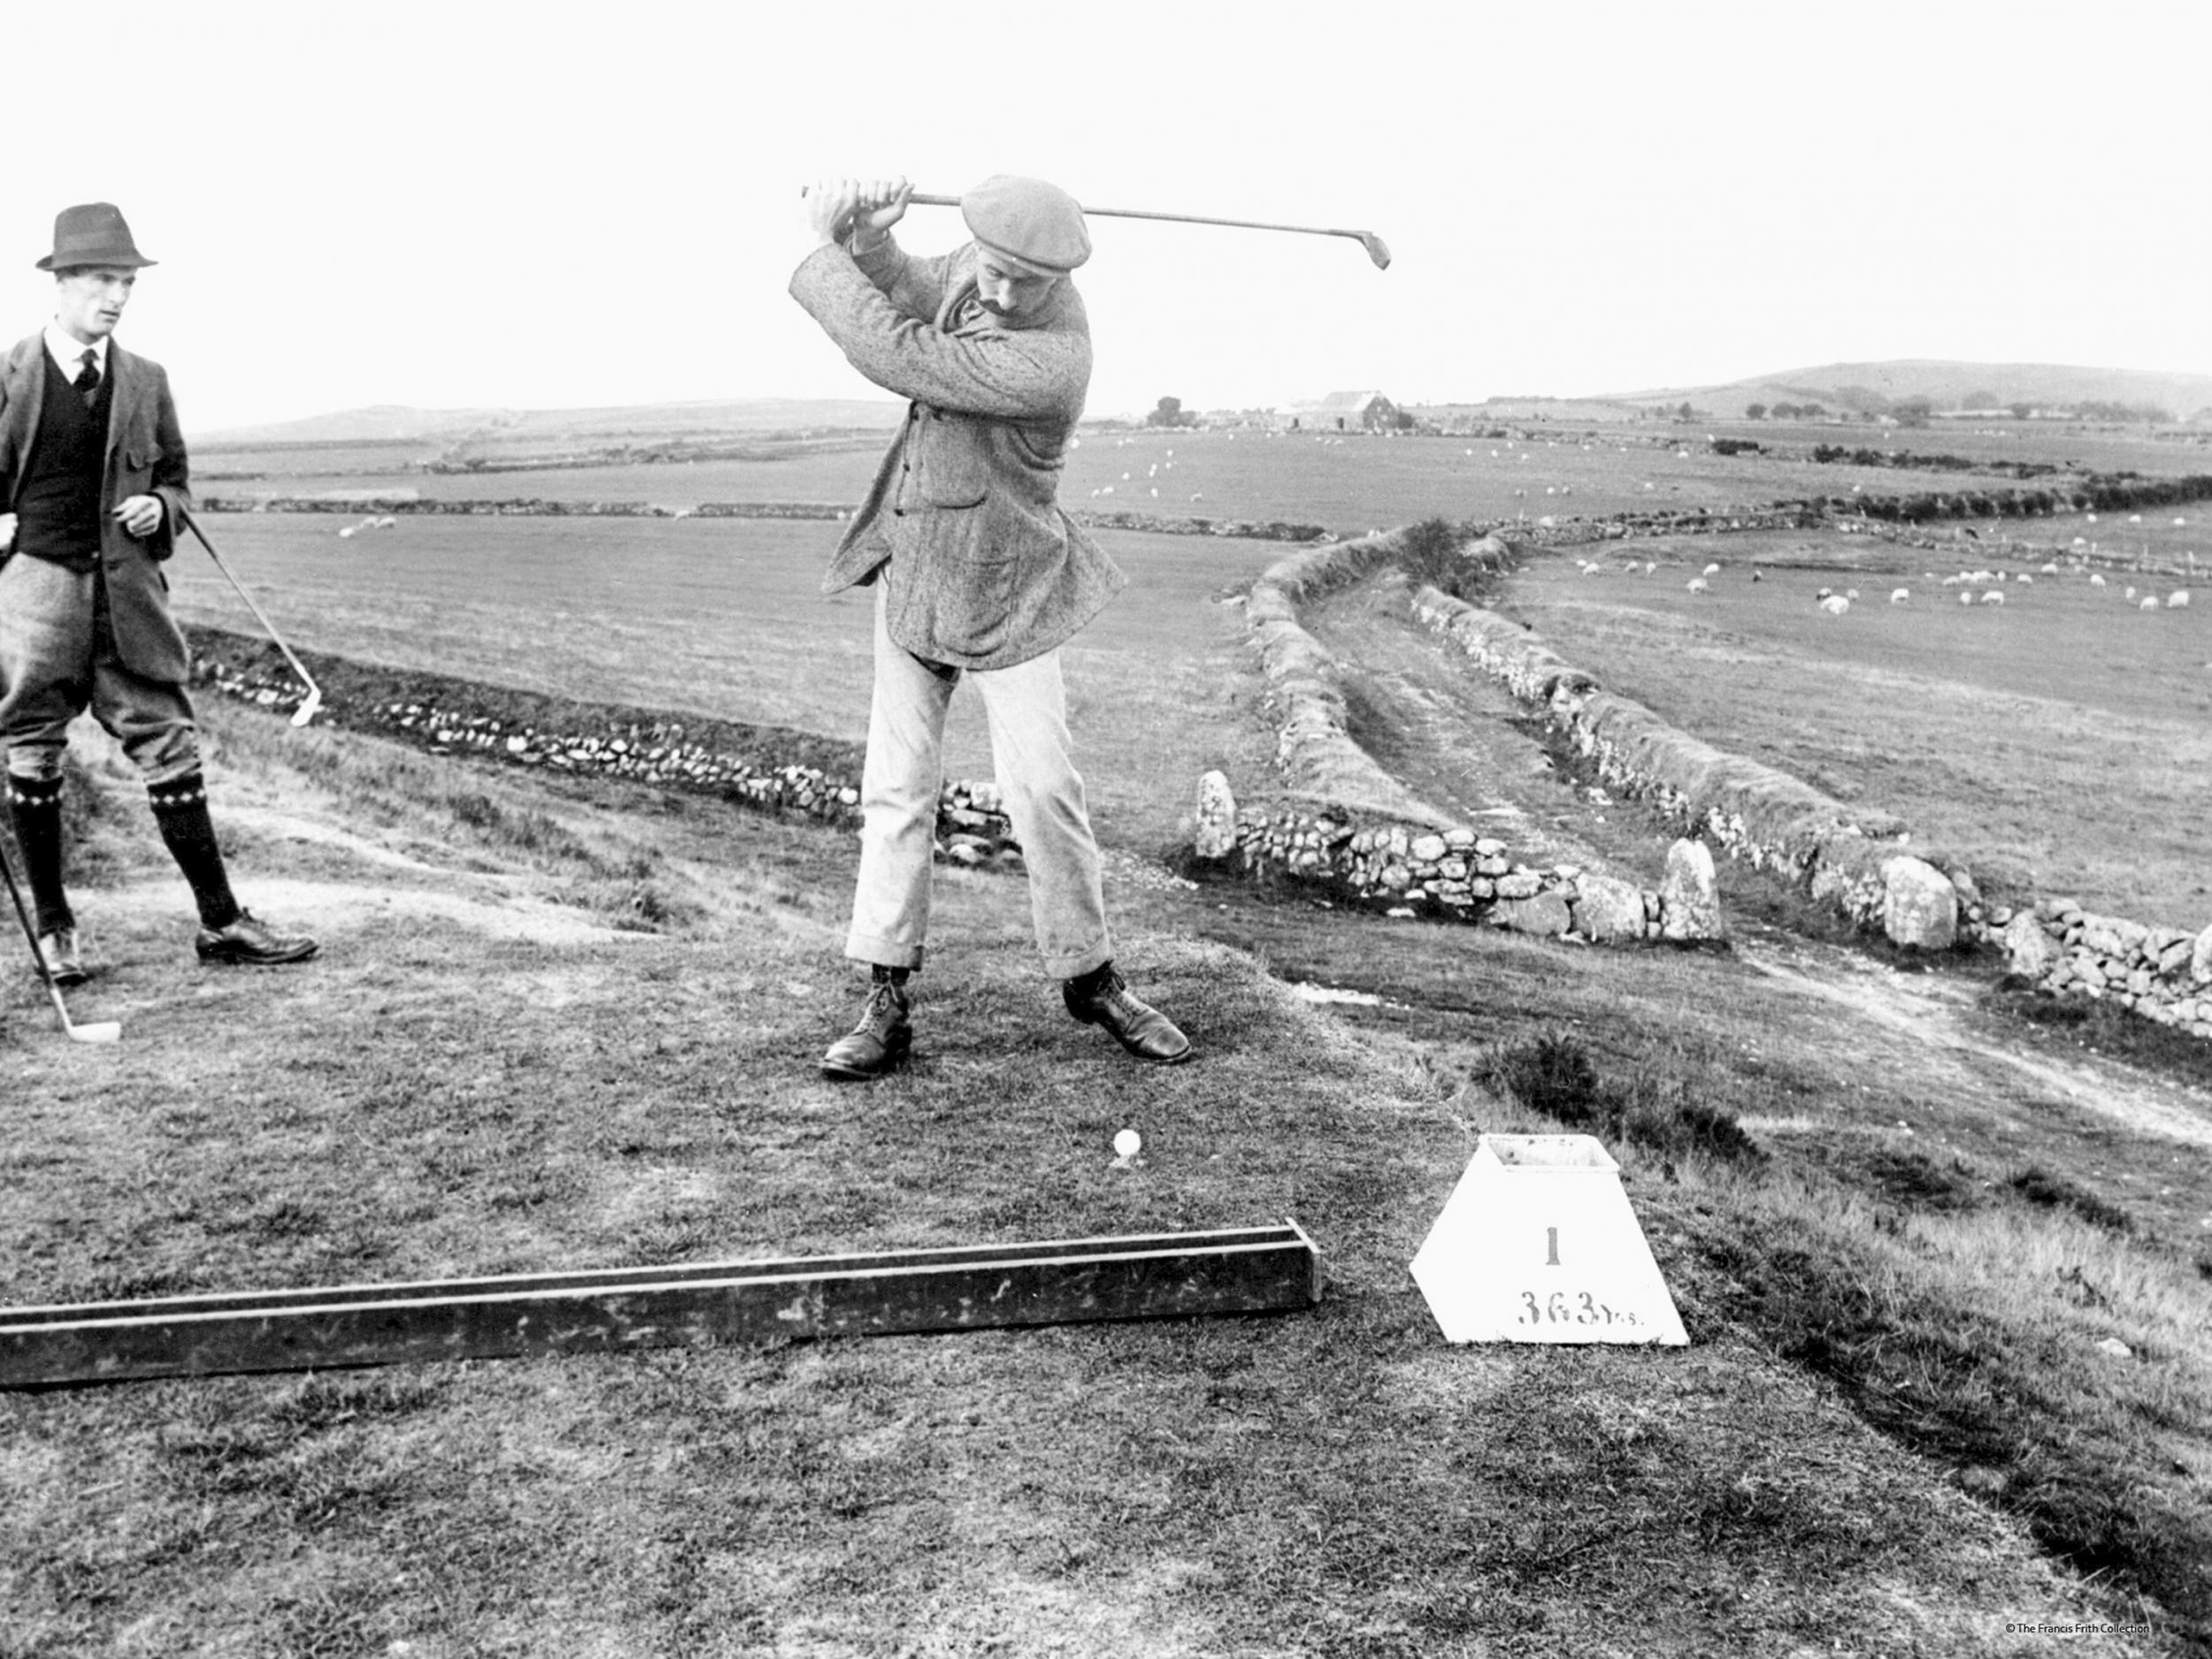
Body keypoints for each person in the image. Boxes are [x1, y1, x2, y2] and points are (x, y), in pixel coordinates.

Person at [790, 173, 1189, 1079]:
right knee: (896, 790)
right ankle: (884, 999)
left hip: (1010, 583)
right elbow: (919, 291)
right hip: (917, 565)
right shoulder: (983, 264)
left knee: (1044, 787)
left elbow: (901, 351)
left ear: (1057, 279)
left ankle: (1089, 978)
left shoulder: (1053, 361)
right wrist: (877, 244)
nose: (1000, 293)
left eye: (1022, 283)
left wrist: (822, 251)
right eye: (994, 272)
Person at [0, 203, 317, 983]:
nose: (116, 296)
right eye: (103, 280)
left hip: (131, 599)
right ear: (62, 283)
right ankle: (56, 931)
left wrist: (160, 506)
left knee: (169, 742)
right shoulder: (8, 376)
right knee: (33, 750)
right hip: (37, 597)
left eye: (127, 283)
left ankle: (222, 923)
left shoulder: (147, 381)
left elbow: (176, 480)